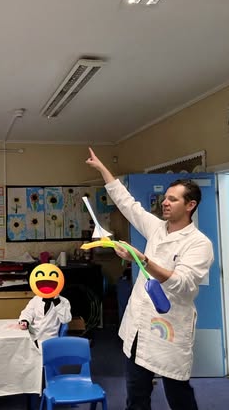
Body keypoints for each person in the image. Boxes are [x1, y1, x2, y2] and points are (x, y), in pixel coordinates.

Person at [86, 146, 213, 410]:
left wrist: (142, 259)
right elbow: (127, 204)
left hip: (169, 329)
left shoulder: (199, 243)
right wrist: (102, 169)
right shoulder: (157, 228)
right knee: (136, 394)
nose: (165, 202)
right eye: (165, 198)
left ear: (190, 205)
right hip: (139, 325)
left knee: (178, 394)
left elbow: (182, 283)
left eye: (173, 199)